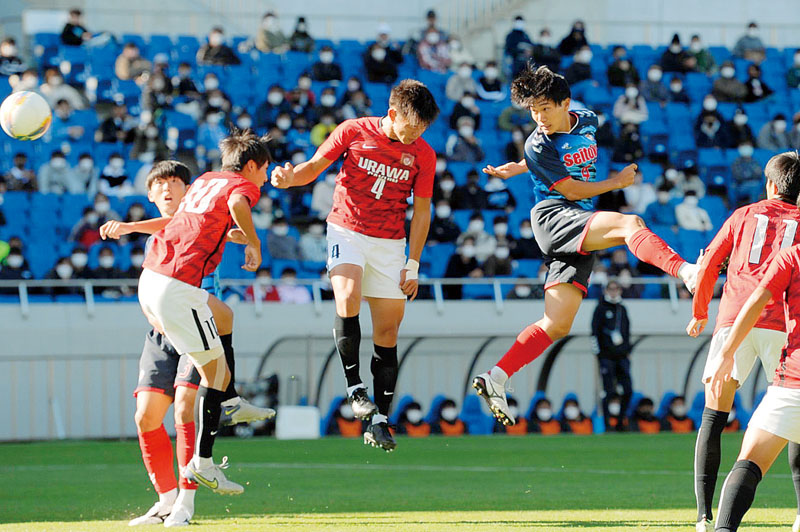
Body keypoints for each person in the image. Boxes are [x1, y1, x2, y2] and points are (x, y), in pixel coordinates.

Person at [471, 66, 696, 426]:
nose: (539, 118)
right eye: (533, 111)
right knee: (630, 224)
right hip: (555, 215)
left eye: (545, 108)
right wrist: (615, 183)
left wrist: (515, 169)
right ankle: (687, 272)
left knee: (557, 324)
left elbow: (544, 163)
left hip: (577, 221)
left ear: (566, 103)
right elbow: (571, 189)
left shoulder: (587, 120)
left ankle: (495, 377)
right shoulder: (538, 143)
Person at [100, 159, 275, 523]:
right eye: (159, 184)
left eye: (175, 182)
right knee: (146, 416)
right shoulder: (163, 232)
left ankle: (186, 502)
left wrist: (246, 238)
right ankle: (165, 500)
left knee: (185, 408)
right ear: (149, 195)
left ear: (190, 189)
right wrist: (131, 228)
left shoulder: (204, 218)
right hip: (162, 328)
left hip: (196, 319)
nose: (167, 188)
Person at [270, 80, 439, 452]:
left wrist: (412, 264)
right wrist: (289, 178)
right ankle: (355, 388)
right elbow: (314, 167)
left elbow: (422, 212)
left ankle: (380, 419)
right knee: (347, 296)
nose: (416, 135)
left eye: (423, 129)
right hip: (347, 229)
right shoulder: (353, 131)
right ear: (392, 113)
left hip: (390, 244)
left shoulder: (424, 154)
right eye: (412, 127)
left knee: (388, 332)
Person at [687, 151, 800, 531]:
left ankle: (704, 516)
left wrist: (699, 312)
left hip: (736, 317)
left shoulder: (743, 215)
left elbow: (709, 264)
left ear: (769, 184)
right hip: (782, 324)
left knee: (713, 416)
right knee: (793, 411)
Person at [591, 280, 633, 429]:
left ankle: (621, 421)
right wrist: (599, 355)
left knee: (628, 390)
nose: (614, 292)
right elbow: (594, 332)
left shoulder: (622, 309)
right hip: (606, 357)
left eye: (616, 289)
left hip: (621, 356)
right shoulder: (600, 308)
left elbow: (627, 332)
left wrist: (627, 351)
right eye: (611, 289)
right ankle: (607, 423)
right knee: (608, 390)